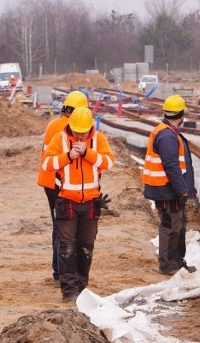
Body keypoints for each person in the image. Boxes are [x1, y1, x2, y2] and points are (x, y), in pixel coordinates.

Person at [42, 106, 114, 302]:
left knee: (85, 246)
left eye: (83, 132)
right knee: (66, 247)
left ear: (89, 128)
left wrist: (88, 153)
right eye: (76, 132)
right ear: (70, 127)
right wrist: (68, 157)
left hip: (90, 202)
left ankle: (82, 288)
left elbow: (108, 162)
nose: (79, 136)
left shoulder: (98, 139)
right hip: (66, 201)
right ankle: (69, 291)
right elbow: (47, 164)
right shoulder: (60, 139)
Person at [37, 91, 89, 288]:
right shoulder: (69, 128)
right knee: (65, 228)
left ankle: (59, 269)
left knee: (59, 225)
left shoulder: (53, 123)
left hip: (48, 181)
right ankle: (62, 270)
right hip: (60, 183)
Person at [143, 94, 197, 275]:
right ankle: (167, 265)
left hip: (170, 188)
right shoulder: (167, 135)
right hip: (167, 189)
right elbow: (172, 166)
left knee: (179, 224)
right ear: (182, 114)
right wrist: (182, 191)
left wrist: (187, 188)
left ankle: (177, 261)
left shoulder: (167, 132)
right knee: (171, 226)